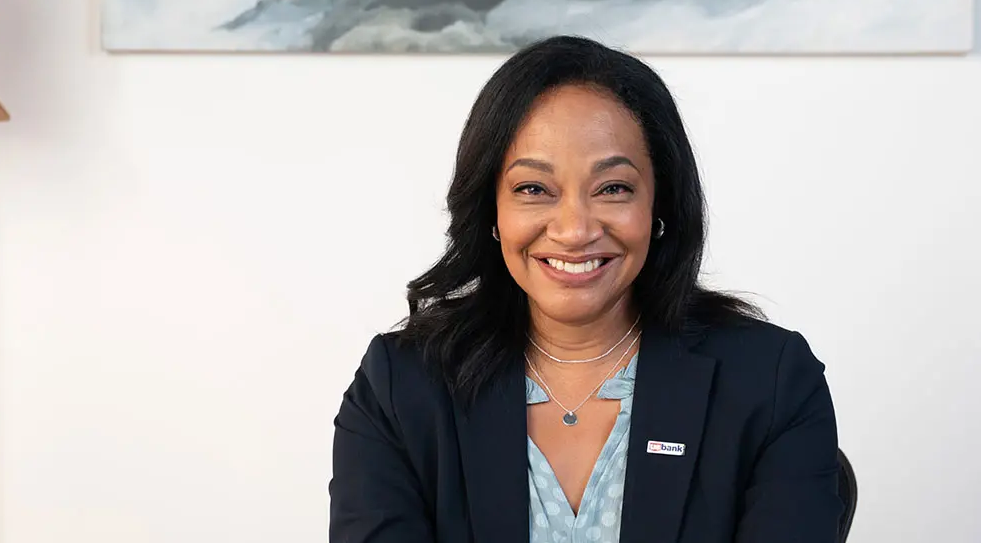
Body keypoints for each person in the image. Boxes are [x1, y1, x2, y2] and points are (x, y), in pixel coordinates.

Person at [329, 35, 843, 543]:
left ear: (658, 206)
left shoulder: (770, 383)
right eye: (533, 189)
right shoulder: (399, 388)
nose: (574, 230)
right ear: (491, 212)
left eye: (613, 188)